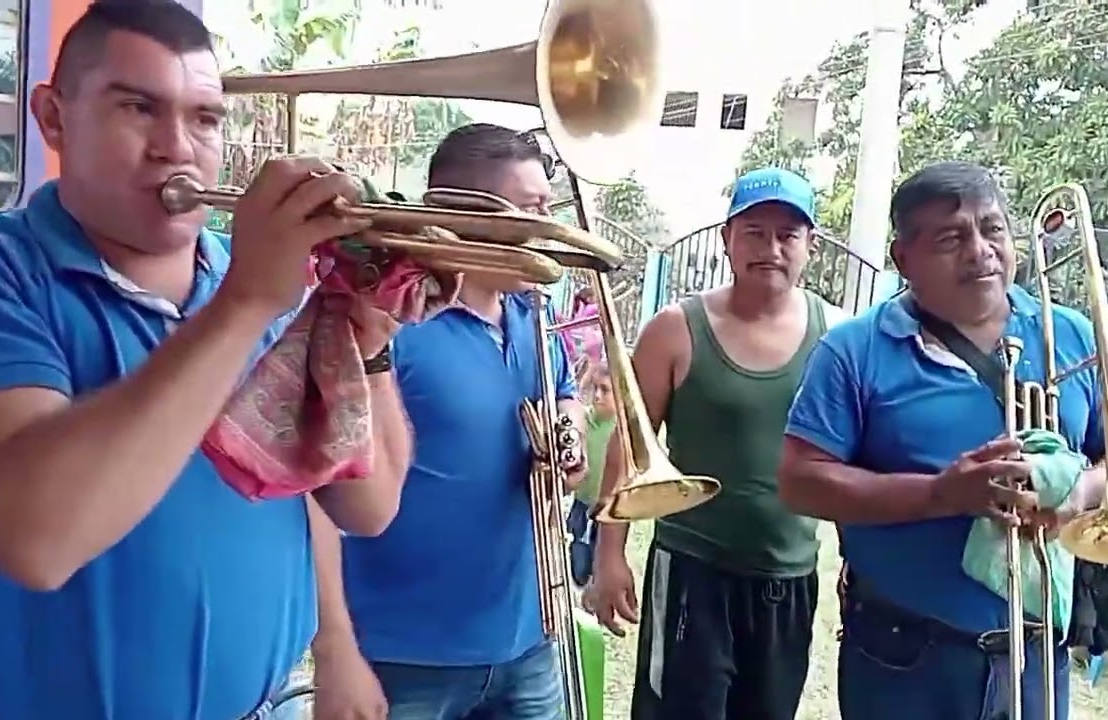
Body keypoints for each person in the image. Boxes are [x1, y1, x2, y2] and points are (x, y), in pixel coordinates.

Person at [0, 4, 412, 719]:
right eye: (138, 108)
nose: (176, 148)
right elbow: (36, 536)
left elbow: (359, 505)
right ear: (54, 118)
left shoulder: (262, 288)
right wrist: (244, 303)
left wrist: (367, 342)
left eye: (205, 119)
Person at [778, 161, 1108, 720]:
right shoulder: (852, 350)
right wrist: (941, 494)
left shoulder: (1070, 331)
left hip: (1038, 651)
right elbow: (800, 482)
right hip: (904, 653)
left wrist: (1077, 493)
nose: (980, 251)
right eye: (951, 237)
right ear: (904, 259)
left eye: (992, 229)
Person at [310, 123, 586, 720]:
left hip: (530, 641)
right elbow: (318, 495)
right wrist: (336, 646)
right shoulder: (390, 323)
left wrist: (569, 431)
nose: (549, 228)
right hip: (404, 656)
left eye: (548, 207)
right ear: (464, 213)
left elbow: (564, 393)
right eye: (530, 210)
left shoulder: (533, 316)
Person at [583, 167, 847, 720]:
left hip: (789, 581)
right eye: (753, 232)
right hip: (690, 572)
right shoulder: (675, 328)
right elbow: (627, 449)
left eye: (787, 235)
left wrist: (858, 560)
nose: (770, 248)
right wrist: (609, 558)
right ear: (726, 238)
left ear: (811, 247)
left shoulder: (838, 336)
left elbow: (848, 459)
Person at [569, 361, 617, 587]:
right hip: (580, 502)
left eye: (605, 390)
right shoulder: (584, 420)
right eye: (595, 388)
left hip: (607, 508)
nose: (597, 395)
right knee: (577, 562)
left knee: (600, 560)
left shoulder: (623, 430)